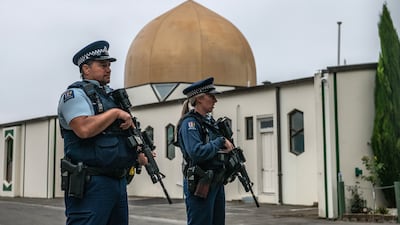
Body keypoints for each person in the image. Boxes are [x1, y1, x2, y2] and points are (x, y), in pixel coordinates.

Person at [57, 40, 147, 225]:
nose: (108, 69)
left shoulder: (111, 96)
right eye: (102, 65)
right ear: (86, 69)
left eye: (109, 65)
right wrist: (115, 113)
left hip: (117, 182)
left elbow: (119, 135)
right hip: (91, 183)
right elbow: (83, 128)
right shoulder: (75, 95)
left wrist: (137, 154)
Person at [176, 77, 235, 225]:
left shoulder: (210, 123)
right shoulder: (190, 123)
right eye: (212, 96)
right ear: (200, 98)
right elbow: (196, 152)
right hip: (200, 183)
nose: (215, 100)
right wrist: (220, 141)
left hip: (215, 181)